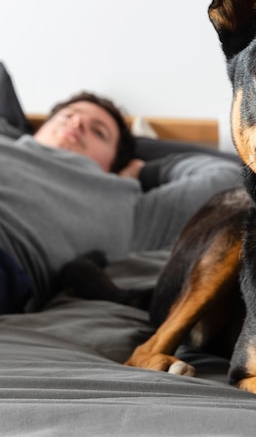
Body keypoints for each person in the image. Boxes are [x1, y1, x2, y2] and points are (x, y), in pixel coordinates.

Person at [0, 91, 242, 314]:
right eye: (68, 115)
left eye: (98, 132)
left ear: (113, 162)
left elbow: (227, 177)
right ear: (38, 130)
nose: (76, 123)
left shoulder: (128, 204)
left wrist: (145, 170)